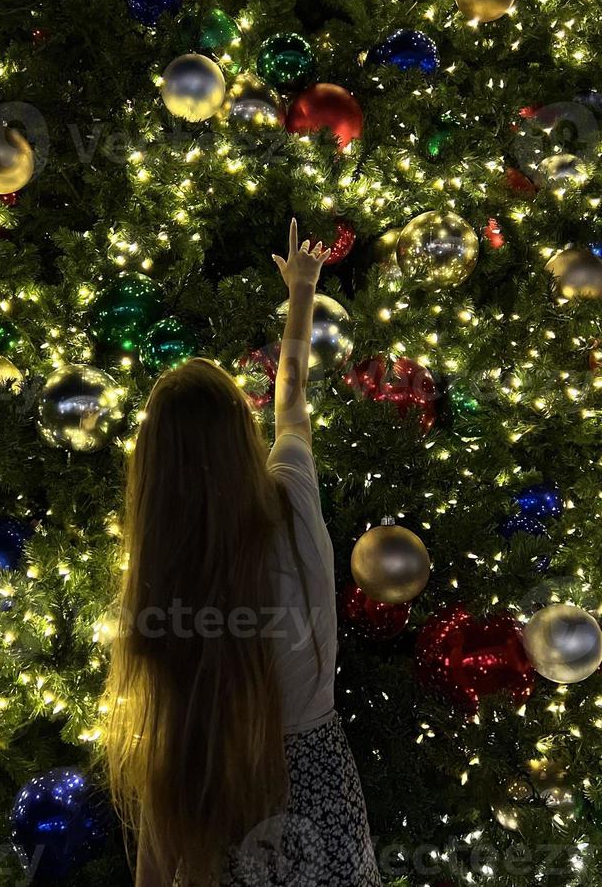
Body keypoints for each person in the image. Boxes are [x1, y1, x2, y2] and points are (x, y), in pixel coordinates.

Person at [105, 220, 381, 887]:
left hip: (226, 811)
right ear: (240, 440)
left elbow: (163, 835)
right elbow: (291, 409)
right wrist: (302, 294)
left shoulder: (166, 596)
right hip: (324, 806)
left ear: (156, 483)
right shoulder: (291, 498)